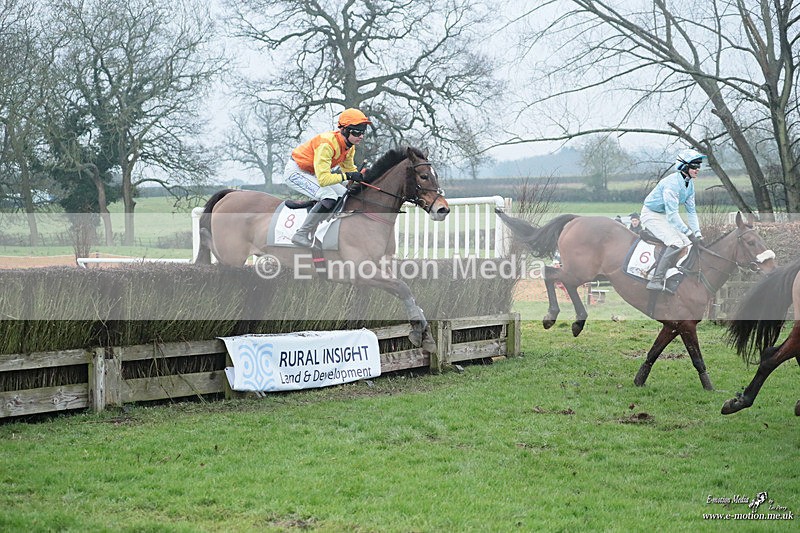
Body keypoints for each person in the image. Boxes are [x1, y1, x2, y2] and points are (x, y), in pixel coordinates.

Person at [284, 108, 372, 247]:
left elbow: (350, 170)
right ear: (345, 130)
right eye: (357, 132)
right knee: (329, 195)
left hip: (313, 173)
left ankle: (325, 228)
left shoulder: (350, 147)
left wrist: (362, 178)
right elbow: (325, 179)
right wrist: (348, 175)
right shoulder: (327, 144)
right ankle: (301, 234)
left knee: (345, 195)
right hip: (296, 172)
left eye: (363, 132)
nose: (361, 136)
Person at [640, 148, 706, 292]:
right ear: (684, 166)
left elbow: (692, 212)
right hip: (651, 214)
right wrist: (689, 232)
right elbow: (673, 216)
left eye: (699, 166)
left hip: (664, 214)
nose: (698, 169)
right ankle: (656, 280)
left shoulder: (689, 184)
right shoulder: (672, 185)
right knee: (676, 242)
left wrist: (698, 234)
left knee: (688, 244)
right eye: (694, 166)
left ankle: (675, 276)